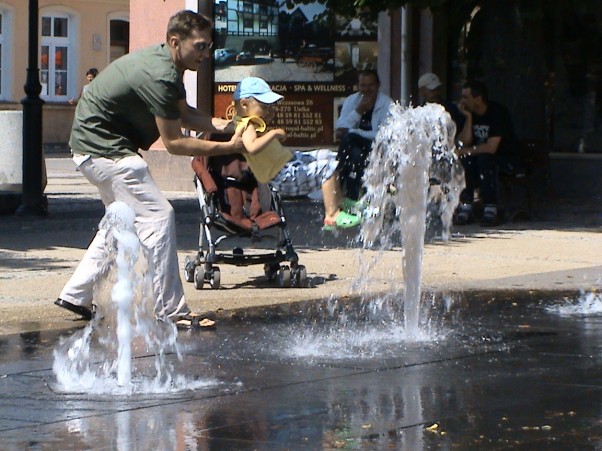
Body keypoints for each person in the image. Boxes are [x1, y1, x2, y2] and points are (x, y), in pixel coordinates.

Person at [54, 10, 244, 329]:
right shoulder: (162, 75)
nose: (206, 53)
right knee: (158, 214)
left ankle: (75, 295)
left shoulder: (167, 64)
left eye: (209, 46)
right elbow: (174, 143)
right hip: (104, 150)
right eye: (200, 46)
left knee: (120, 223)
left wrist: (228, 125)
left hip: (94, 148)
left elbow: (183, 114)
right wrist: (228, 147)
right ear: (175, 42)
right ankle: (171, 310)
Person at [232, 76, 361, 231]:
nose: (268, 112)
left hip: (289, 163)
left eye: (270, 107)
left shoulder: (246, 123)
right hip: (281, 176)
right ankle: (332, 215)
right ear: (245, 104)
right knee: (328, 168)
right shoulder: (248, 126)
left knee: (329, 155)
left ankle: (339, 199)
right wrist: (273, 134)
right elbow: (252, 147)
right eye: (264, 107)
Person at [455, 80, 521, 226]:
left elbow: (491, 148)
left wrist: (466, 150)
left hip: (505, 159)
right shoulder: (469, 113)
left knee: (484, 159)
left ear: (478, 99)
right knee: (467, 160)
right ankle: (466, 204)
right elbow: (464, 143)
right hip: (480, 158)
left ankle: (491, 207)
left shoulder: (497, 113)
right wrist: (468, 118)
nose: (462, 101)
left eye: (466, 97)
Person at [335, 69, 393, 201]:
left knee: (350, 139)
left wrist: (355, 132)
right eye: (363, 85)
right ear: (358, 86)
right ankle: (354, 195)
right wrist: (358, 111)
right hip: (354, 148)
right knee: (355, 154)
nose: (367, 89)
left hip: (377, 147)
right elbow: (341, 128)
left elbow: (383, 134)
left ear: (378, 85)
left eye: (371, 85)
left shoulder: (386, 104)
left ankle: (342, 186)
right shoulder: (352, 101)